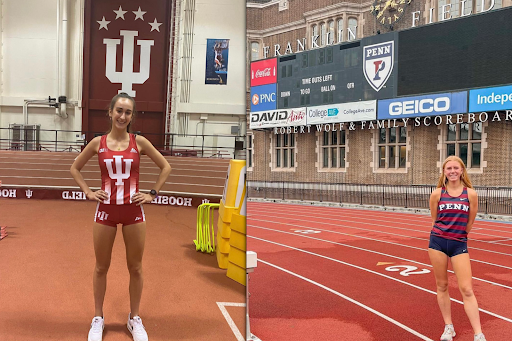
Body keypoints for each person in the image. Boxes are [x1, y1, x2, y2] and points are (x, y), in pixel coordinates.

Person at [70, 93, 172, 341]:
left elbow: (166, 167)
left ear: (132, 116)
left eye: (127, 112)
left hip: (133, 211)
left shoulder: (140, 142)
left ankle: (134, 318)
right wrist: (87, 191)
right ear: (110, 112)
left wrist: (152, 194)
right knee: (101, 267)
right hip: (105, 210)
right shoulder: (98, 143)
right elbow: (75, 168)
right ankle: (98, 318)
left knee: (135, 267)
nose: (122, 116)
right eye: (119, 110)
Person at [428, 156, 486, 341]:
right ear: (444, 172)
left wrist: (458, 234)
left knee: (467, 289)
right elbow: (434, 219)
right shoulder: (437, 194)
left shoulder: (471, 194)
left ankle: (478, 334)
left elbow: (470, 222)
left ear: (462, 171)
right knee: (442, 285)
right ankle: (448, 327)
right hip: (437, 243)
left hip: (459, 243)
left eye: (456, 168)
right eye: (448, 168)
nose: (452, 171)